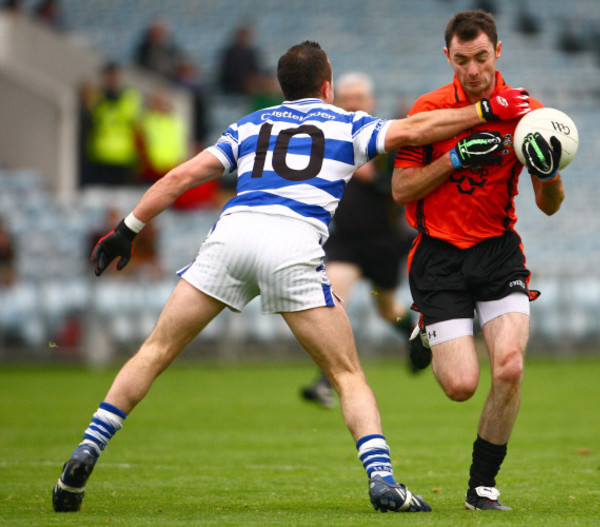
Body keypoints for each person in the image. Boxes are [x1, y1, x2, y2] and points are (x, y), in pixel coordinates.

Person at [52, 40, 531, 514]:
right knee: (346, 375)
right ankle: (382, 481)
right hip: (290, 245)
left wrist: (126, 229)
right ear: (328, 87)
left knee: (153, 352)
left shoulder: (249, 124)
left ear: (283, 88)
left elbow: (182, 176)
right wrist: (485, 109)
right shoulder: (345, 123)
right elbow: (416, 129)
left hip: (231, 238)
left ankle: (84, 453)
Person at [392, 10, 566, 511]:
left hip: (496, 252)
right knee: (462, 386)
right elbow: (401, 188)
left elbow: (549, 205)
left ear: (498, 52)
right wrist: (456, 158)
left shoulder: (529, 113)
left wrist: (550, 173)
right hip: (439, 256)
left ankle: (482, 488)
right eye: (462, 60)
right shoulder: (427, 111)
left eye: (482, 58)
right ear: (448, 57)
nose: (473, 70)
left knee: (509, 367)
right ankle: (425, 325)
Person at [300, 72, 416, 409]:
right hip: (345, 245)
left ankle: (413, 334)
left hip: (383, 242)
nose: (352, 103)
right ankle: (326, 382)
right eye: (346, 97)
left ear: (370, 102)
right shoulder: (327, 142)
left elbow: (402, 190)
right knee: (333, 303)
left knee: (387, 310)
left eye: (358, 98)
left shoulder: (388, 141)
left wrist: (374, 178)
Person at [82, 62, 142, 187]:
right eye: (109, 76)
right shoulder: (97, 97)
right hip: (100, 153)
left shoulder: (129, 97)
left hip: (123, 154)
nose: (112, 80)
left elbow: (132, 118)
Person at [133, 15, 184, 82]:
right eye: (155, 31)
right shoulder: (144, 50)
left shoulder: (170, 49)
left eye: (160, 31)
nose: (157, 34)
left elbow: (177, 64)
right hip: (152, 81)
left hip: (169, 81)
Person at [215, 24, 262, 95]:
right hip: (233, 83)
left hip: (248, 81)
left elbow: (256, 68)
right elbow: (228, 71)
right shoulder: (230, 52)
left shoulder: (251, 52)